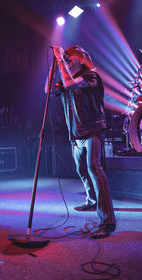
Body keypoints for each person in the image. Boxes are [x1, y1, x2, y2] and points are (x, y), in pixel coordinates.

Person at [45, 45, 116, 239]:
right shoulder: (65, 78)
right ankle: (91, 200)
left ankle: (107, 220)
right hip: (76, 135)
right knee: (81, 170)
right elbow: (48, 89)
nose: (67, 58)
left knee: (94, 168)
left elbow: (70, 85)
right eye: (65, 56)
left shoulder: (90, 76)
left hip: (92, 130)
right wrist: (54, 65)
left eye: (70, 56)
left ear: (81, 58)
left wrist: (60, 58)